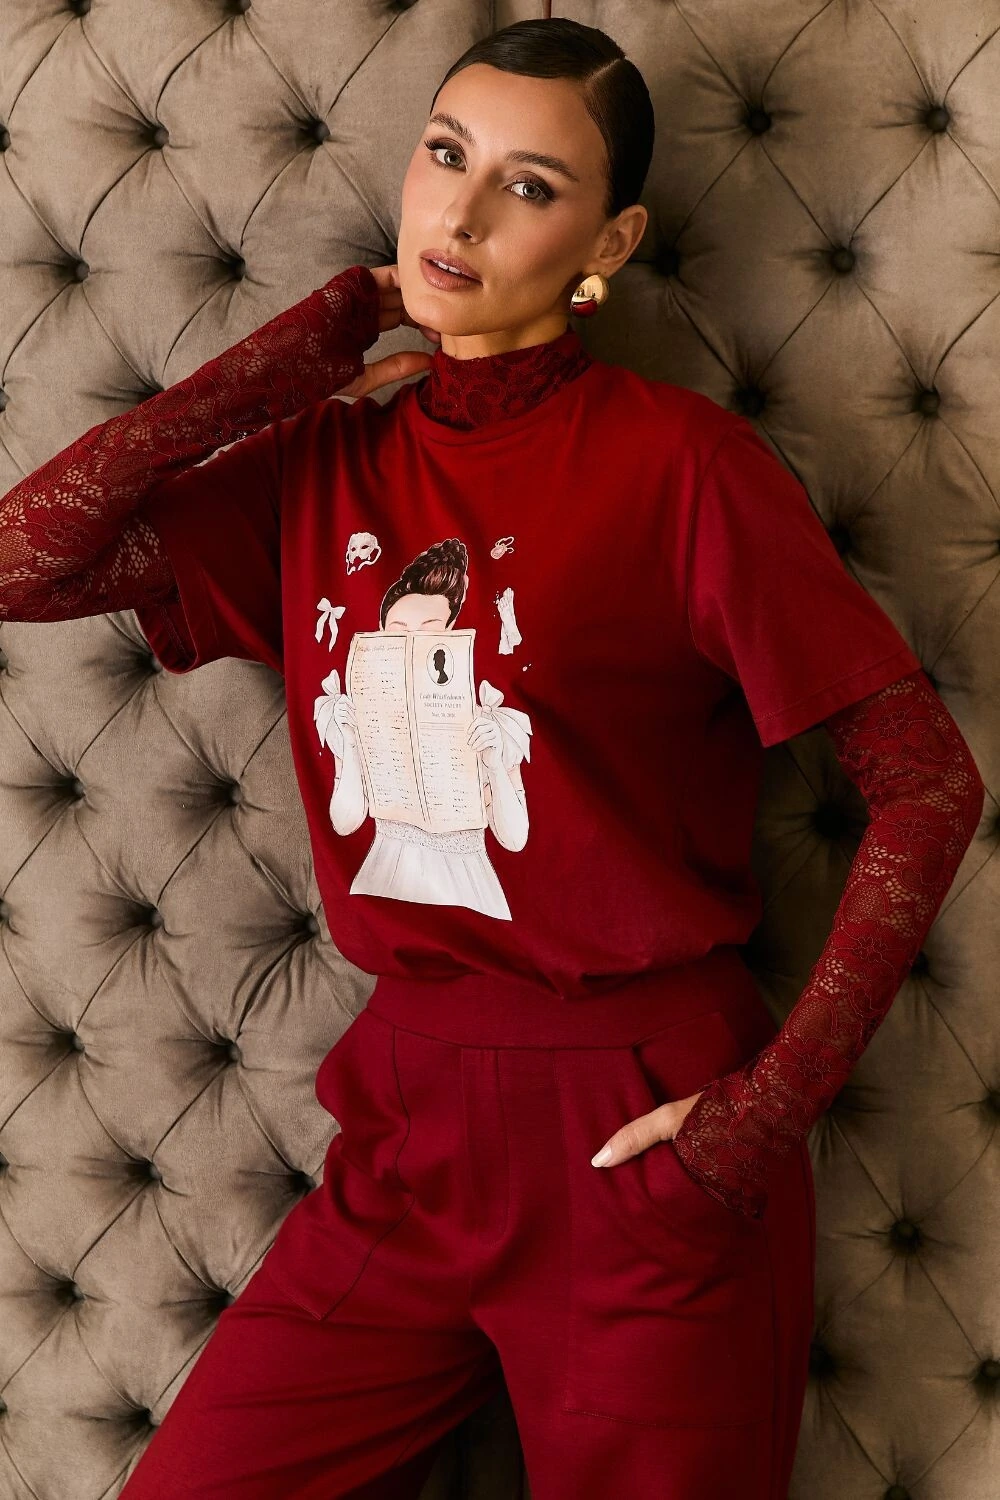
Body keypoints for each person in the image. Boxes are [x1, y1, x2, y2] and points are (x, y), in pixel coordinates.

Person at [0, 17, 984, 1500]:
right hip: (404, 1129)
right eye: (445, 155)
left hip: (640, 1135)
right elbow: (26, 563)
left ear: (610, 241)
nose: (459, 213)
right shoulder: (326, 457)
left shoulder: (684, 467)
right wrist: (296, 355)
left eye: (529, 185)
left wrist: (755, 1123)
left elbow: (925, 779)